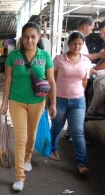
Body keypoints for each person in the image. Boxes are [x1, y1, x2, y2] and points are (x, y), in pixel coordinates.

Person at [0, 22, 57, 191]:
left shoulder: (45, 56)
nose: (29, 40)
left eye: (33, 36)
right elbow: (8, 81)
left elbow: (52, 81)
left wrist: (53, 103)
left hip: (37, 103)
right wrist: (4, 103)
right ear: (21, 38)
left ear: (39, 37)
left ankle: (27, 158)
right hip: (16, 101)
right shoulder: (13, 57)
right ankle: (19, 176)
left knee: (31, 136)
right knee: (21, 138)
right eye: (26, 36)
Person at [49, 32, 90, 175]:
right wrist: (51, 101)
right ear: (68, 43)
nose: (77, 46)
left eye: (80, 44)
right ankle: (53, 150)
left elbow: (84, 81)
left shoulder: (85, 61)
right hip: (60, 99)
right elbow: (52, 81)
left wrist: (77, 93)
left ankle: (81, 163)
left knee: (77, 132)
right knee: (56, 128)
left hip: (78, 101)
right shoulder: (59, 59)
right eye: (74, 43)